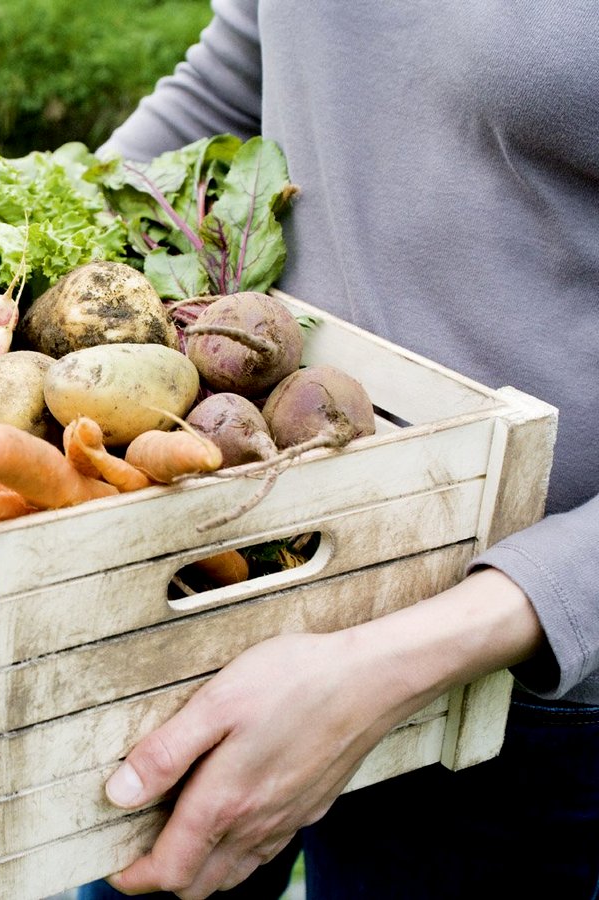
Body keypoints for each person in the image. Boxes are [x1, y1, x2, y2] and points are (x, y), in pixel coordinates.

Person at [78, 2, 599, 897]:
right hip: (240, 554)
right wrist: (16, 230)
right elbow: (244, 63)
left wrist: (389, 666)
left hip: (522, 692)